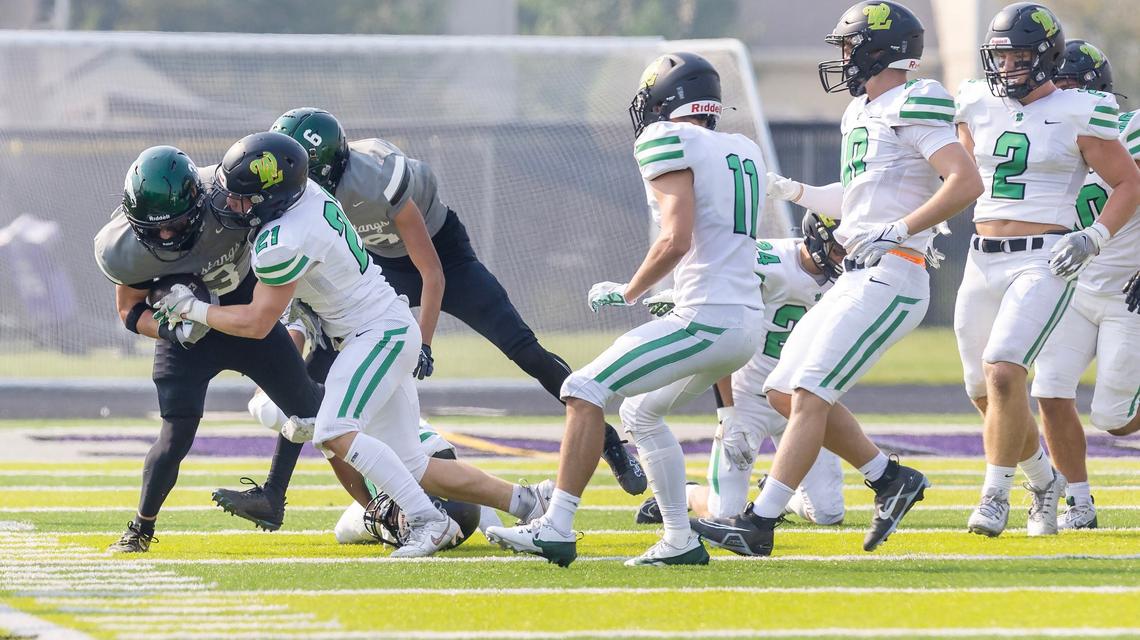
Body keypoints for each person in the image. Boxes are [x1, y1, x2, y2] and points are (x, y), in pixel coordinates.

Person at [157, 132, 550, 557]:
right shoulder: (306, 193)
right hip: (383, 328)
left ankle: (428, 521)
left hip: (376, 335)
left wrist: (192, 309)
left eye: (241, 199)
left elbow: (256, 322)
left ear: (270, 200)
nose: (229, 204)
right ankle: (528, 502)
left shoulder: (281, 241)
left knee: (334, 432)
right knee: (414, 464)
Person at [691, 0, 983, 557]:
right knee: (782, 391)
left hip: (896, 274)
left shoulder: (915, 99)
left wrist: (901, 229)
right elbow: (858, 202)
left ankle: (759, 522)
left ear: (880, 50)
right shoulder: (860, 112)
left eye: (850, 46)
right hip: (855, 273)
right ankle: (889, 478)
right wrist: (795, 191)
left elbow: (964, 180)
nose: (844, 57)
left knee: (808, 392)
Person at [259, 108, 645, 496]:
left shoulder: (377, 177)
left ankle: (610, 443)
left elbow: (432, 273)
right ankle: (274, 493)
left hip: (444, 258)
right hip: (379, 264)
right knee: (314, 370)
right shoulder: (307, 197)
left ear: (328, 166)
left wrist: (424, 343)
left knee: (525, 349)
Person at [485, 51, 767, 567]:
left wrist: (631, 289)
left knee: (582, 388)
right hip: (744, 320)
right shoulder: (742, 147)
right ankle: (680, 538)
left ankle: (557, 525)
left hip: (708, 318)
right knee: (640, 411)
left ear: (665, 100)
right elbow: (718, 240)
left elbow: (676, 239)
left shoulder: (666, 139)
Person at [954, 3, 1140, 537]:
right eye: (1001, 56)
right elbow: (959, 174)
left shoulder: (1085, 115)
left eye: (1018, 56)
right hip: (996, 260)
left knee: (1017, 375)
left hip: (1063, 264)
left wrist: (1094, 235)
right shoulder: (978, 103)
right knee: (997, 388)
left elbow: (1128, 183)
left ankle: (995, 494)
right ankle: (1052, 487)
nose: (1006, 66)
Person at [93, 145, 323, 551]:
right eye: (154, 229)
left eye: (176, 224)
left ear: (200, 203)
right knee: (175, 435)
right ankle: (140, 528)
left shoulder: (229, 200)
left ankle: (284, 495)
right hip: (188, 337)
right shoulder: (123, 247)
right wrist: (170, 332)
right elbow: (129, 309)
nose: (166, 236)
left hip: (246, 317)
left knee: (313, 411)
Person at [636, 212, 847, 526]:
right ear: (817, 239)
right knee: (723, 514)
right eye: (839, 249)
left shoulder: (849, 279)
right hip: (748, 398)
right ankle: (689, 493)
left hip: (800, 401)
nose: (844, 257)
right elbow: (725, 335)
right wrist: (728, 414)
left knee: (828, 513)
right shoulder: (765, 262)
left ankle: (777, 495)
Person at [1032, 40, 1140, 530]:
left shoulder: (1129, 131)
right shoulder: (1043, 133)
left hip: (1127, 292)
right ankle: (1078, 502)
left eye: (1069, 85)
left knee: (1113, 419)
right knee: (1049, 389)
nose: (1061, 95)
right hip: (1073, 288)